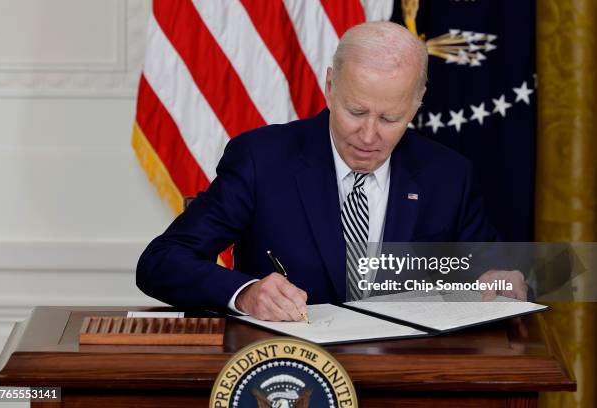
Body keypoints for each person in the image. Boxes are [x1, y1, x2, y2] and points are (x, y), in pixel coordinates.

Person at [136, 22, 527, 322]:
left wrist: (502, 283)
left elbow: (492, 274)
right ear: (329, 86)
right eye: (355, 111)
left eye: (391, 118)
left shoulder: (448, 175)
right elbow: (161, 262)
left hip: (406, 377)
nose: (369, 135)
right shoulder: (261, 159)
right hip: (288, 374)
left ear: (417, 103)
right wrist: (246, 292)